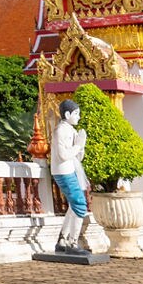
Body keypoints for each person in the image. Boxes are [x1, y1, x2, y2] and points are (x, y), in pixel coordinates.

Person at [50, 99, 90, 255]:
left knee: (74, 205)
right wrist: (78, 145)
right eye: (76, 114)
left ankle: (62, 240)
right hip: (63, 171)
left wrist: (81, 145)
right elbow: (64, 155)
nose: (79, 117)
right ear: (67, 114)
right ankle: (73, 243)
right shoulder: (61, 130)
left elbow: (77, 157)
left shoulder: (71, 130)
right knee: (80, 204)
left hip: (70, 169)